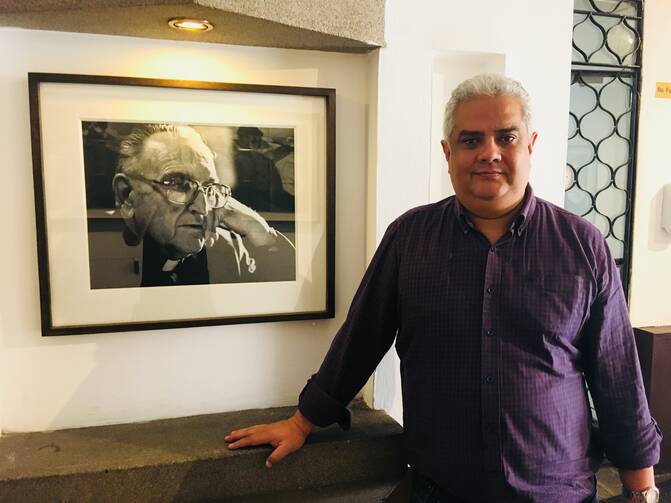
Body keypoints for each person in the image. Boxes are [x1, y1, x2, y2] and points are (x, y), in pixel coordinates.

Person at [224, 75, 662, 502]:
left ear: (530, 146)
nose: (489, 153)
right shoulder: (409, 238)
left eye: (506, 138)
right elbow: (360, 339)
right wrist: (303, 423)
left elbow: (618, 377)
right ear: (447, 152)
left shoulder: (582, 245)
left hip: (556, 490)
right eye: (471, 140)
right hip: (441, 488)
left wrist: (641, 489)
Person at [112, 124, 295, 287]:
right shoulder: (99, 261)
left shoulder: (228, 250)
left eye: (209, 188)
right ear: (127, 194)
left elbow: (296, 289)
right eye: (177, 183)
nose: (203, 207)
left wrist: (256, 229)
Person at [233, 126, 295, 212]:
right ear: (241, 138)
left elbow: (277, 189)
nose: (255, 141)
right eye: (250, 138)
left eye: (258, 138)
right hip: (250, 199)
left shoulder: (266, 160)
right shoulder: (235, 159)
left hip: (269, 196)